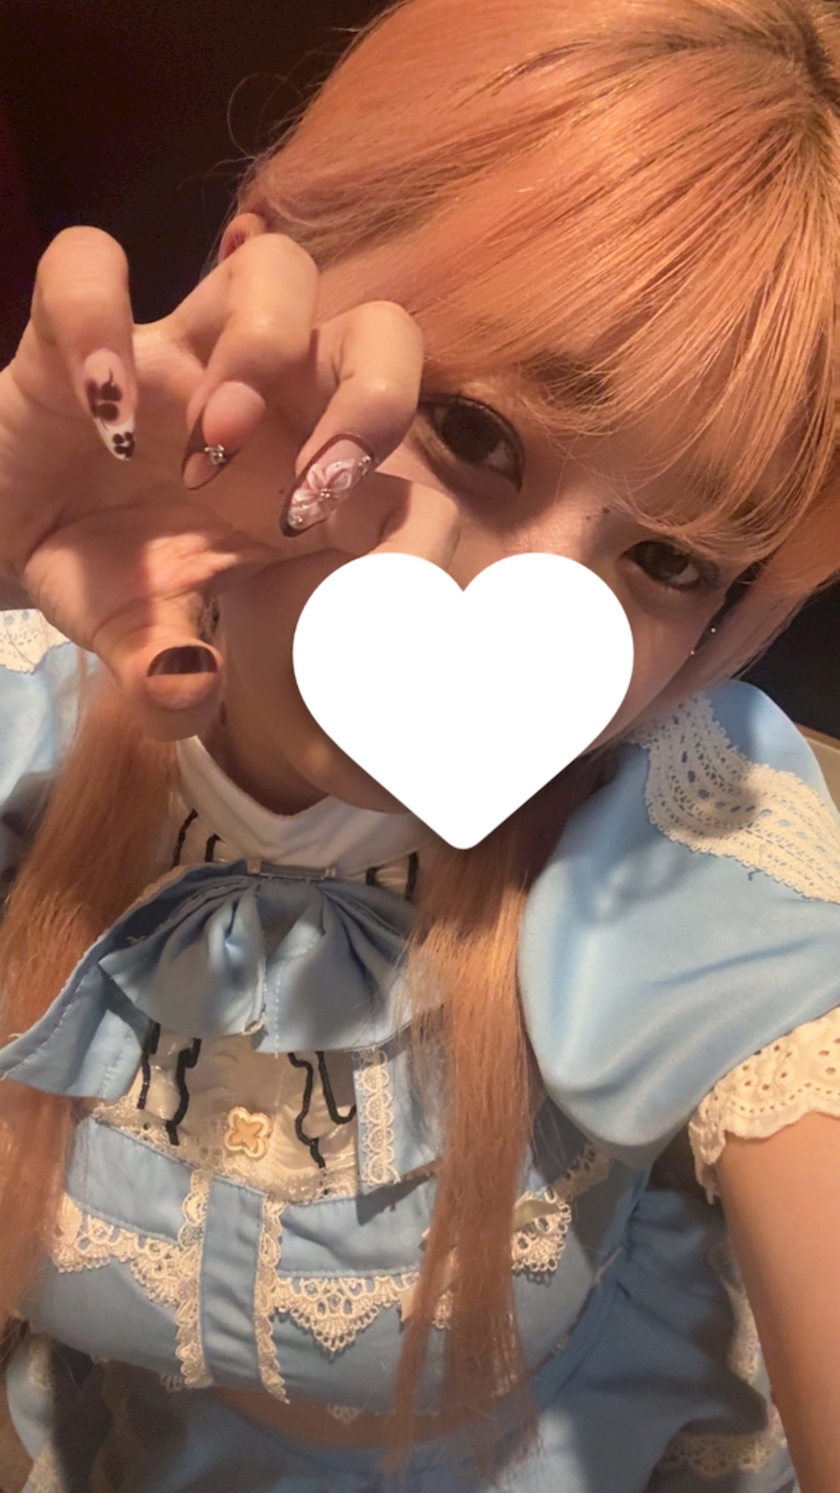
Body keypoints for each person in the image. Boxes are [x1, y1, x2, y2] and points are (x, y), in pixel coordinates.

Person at [0, 0, 839, 1487]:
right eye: (474, 430)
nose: (542, 615)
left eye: (670, 563)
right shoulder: (31, 725)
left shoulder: (681, 828)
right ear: (258, 283)